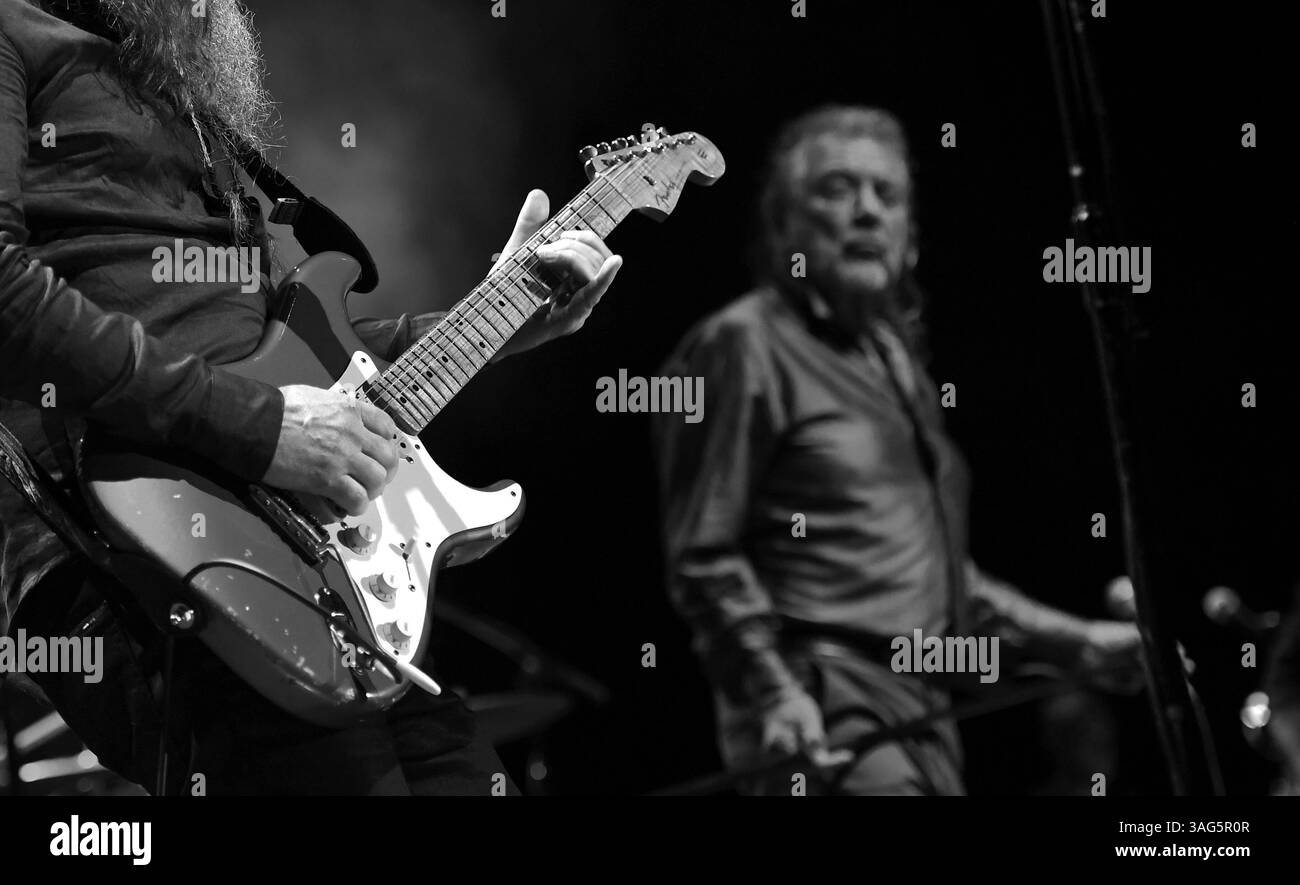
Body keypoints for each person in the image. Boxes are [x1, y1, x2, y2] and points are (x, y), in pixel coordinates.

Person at [0, 0, 620, 794]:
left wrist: (502, 315)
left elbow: (311, 366)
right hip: (129, 545)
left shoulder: (163, 84)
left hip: (304, 556)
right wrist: (263, 429)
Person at [652, 105, 1141, 796]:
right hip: (826, 710)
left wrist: (1079, 641)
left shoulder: (896, 364)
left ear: (910, 238)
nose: (865, 212)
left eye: (888, 195)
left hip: (925, 714)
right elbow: (704, 553)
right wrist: (772, 691)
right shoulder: (743, 344)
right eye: (835, 189)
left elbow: (943, 579)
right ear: (784, 224)